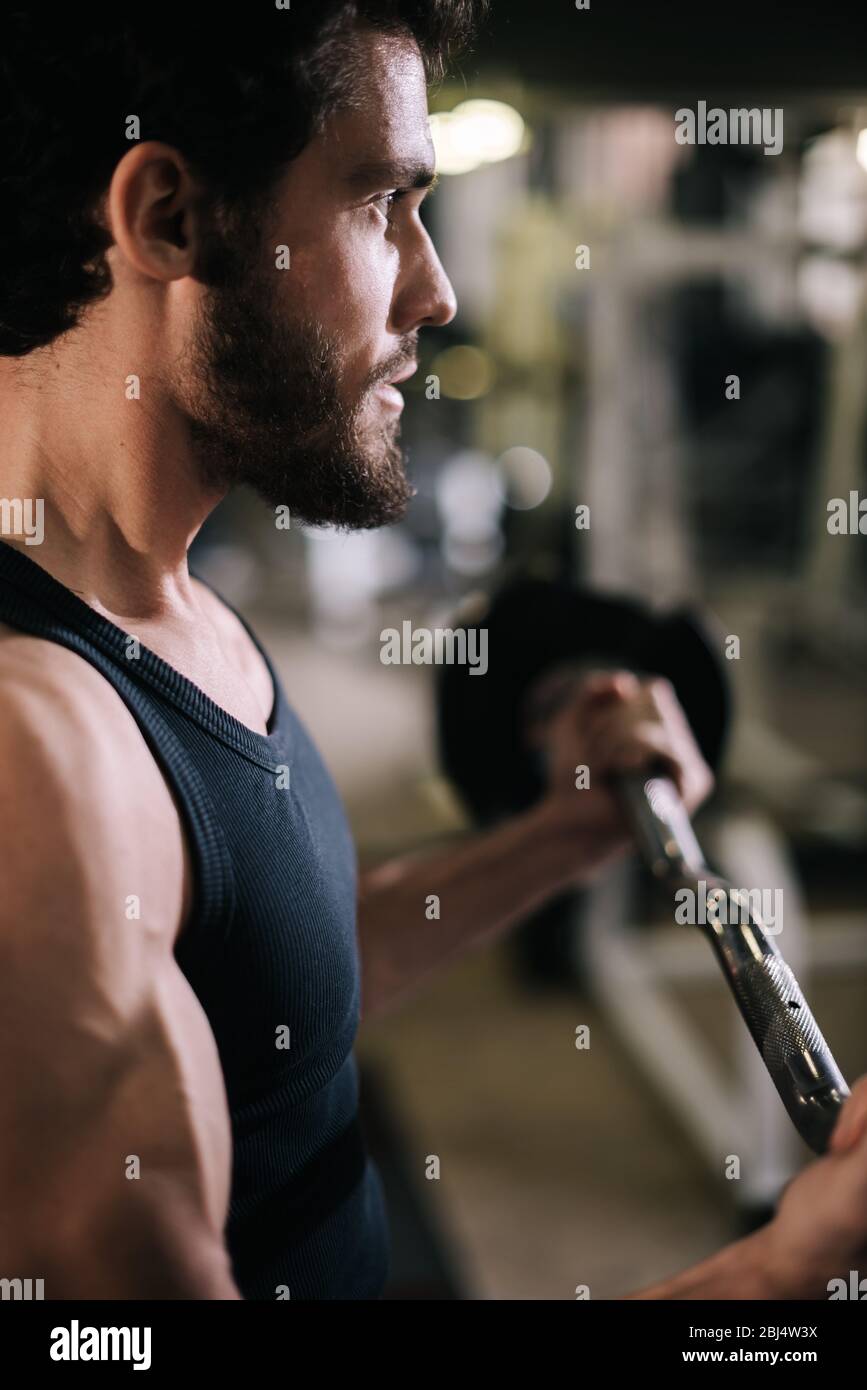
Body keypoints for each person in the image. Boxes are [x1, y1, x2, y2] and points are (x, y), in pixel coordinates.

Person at [0, 1, 863, 1301]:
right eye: (379, 203)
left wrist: (563, 834)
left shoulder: (162, 598)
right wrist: (781, 1277)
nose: (436, 284)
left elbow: (271, 988)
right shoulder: (36, 752)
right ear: (169, 217)